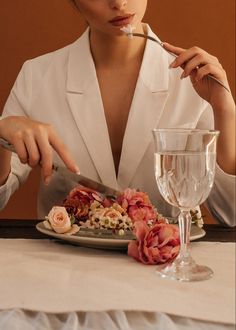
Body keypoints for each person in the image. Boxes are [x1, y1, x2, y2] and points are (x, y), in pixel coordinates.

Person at [0, 0, 235, 225]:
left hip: (167, 262)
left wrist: (224, 108)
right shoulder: (36, 77)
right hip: (63, 261)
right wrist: (1, 134)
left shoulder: (195, 82)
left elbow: (231, 213)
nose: (119, 2)